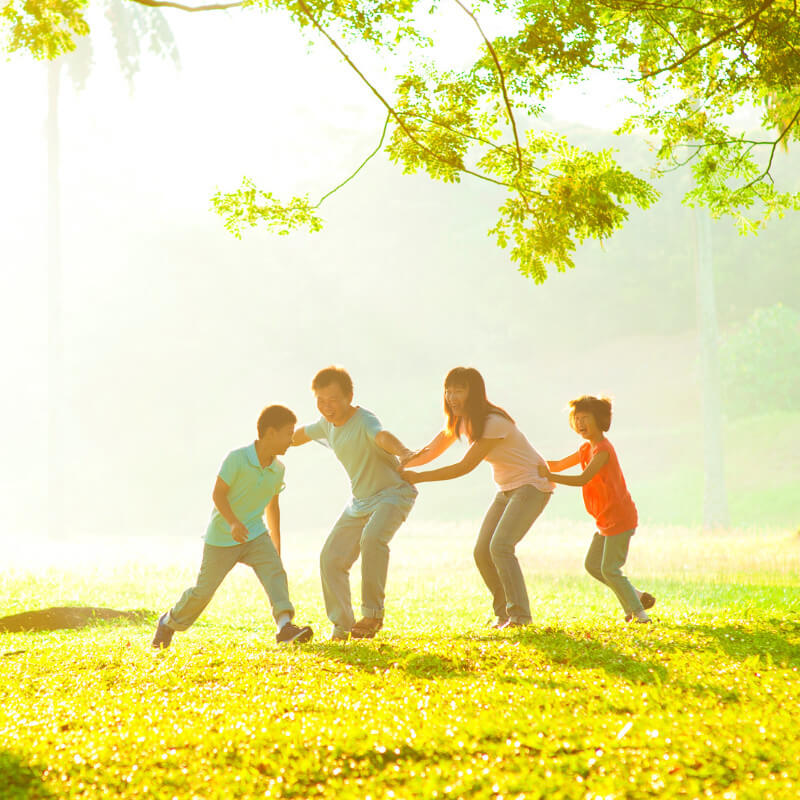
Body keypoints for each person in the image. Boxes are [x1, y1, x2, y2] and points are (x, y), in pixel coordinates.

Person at [401, 367, 553, 629]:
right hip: (507, 489)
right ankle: (505, 614)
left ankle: (520, 617)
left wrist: (419, 477)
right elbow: (430, 450)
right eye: (448, 391)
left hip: (532, 486)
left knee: (501, 547)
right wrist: (400, 464)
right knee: (483, 552)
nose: (451, 396)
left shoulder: (494, 422)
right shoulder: (460, 420)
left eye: (458, 390)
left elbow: (464, 466)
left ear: (474, 392)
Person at [152, 405, 313, 649]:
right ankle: (168, 622)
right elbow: (218, 495)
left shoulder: (278, 469)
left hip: (255, 534)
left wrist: (276, 542)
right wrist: (233, 523)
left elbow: (273, 506)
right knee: (202, 593)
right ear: (270, 433)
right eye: (288, 433)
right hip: (222, 538)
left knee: (275, 574)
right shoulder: (237, 458)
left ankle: (284, 626)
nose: (292, 440)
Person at [292, 366, 417, 640]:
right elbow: (297, 435)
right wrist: (270, 443)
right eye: (321, 401)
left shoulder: (364, 419)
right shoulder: (325, 424)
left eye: (333, 399)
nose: (327, 406)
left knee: (372, 539)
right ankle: (343, 626)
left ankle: (372, 615)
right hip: (360, 502)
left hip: (393, 493)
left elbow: (381, 436)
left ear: (349, 396)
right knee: (330, 558)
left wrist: (404, 451)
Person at [538, 395, 655, 623]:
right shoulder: (585, 448)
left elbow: (583, 478)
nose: (580, 423)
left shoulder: (602, 450)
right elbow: (559, 464)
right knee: (593, 565)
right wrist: (529, 461)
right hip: (604, 519)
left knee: (610, 569)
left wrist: (550, 477)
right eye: (576, 418)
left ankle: (639, 615)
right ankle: (636, 598)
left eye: (585, 418)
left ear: (599, 419)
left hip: (620, 518)